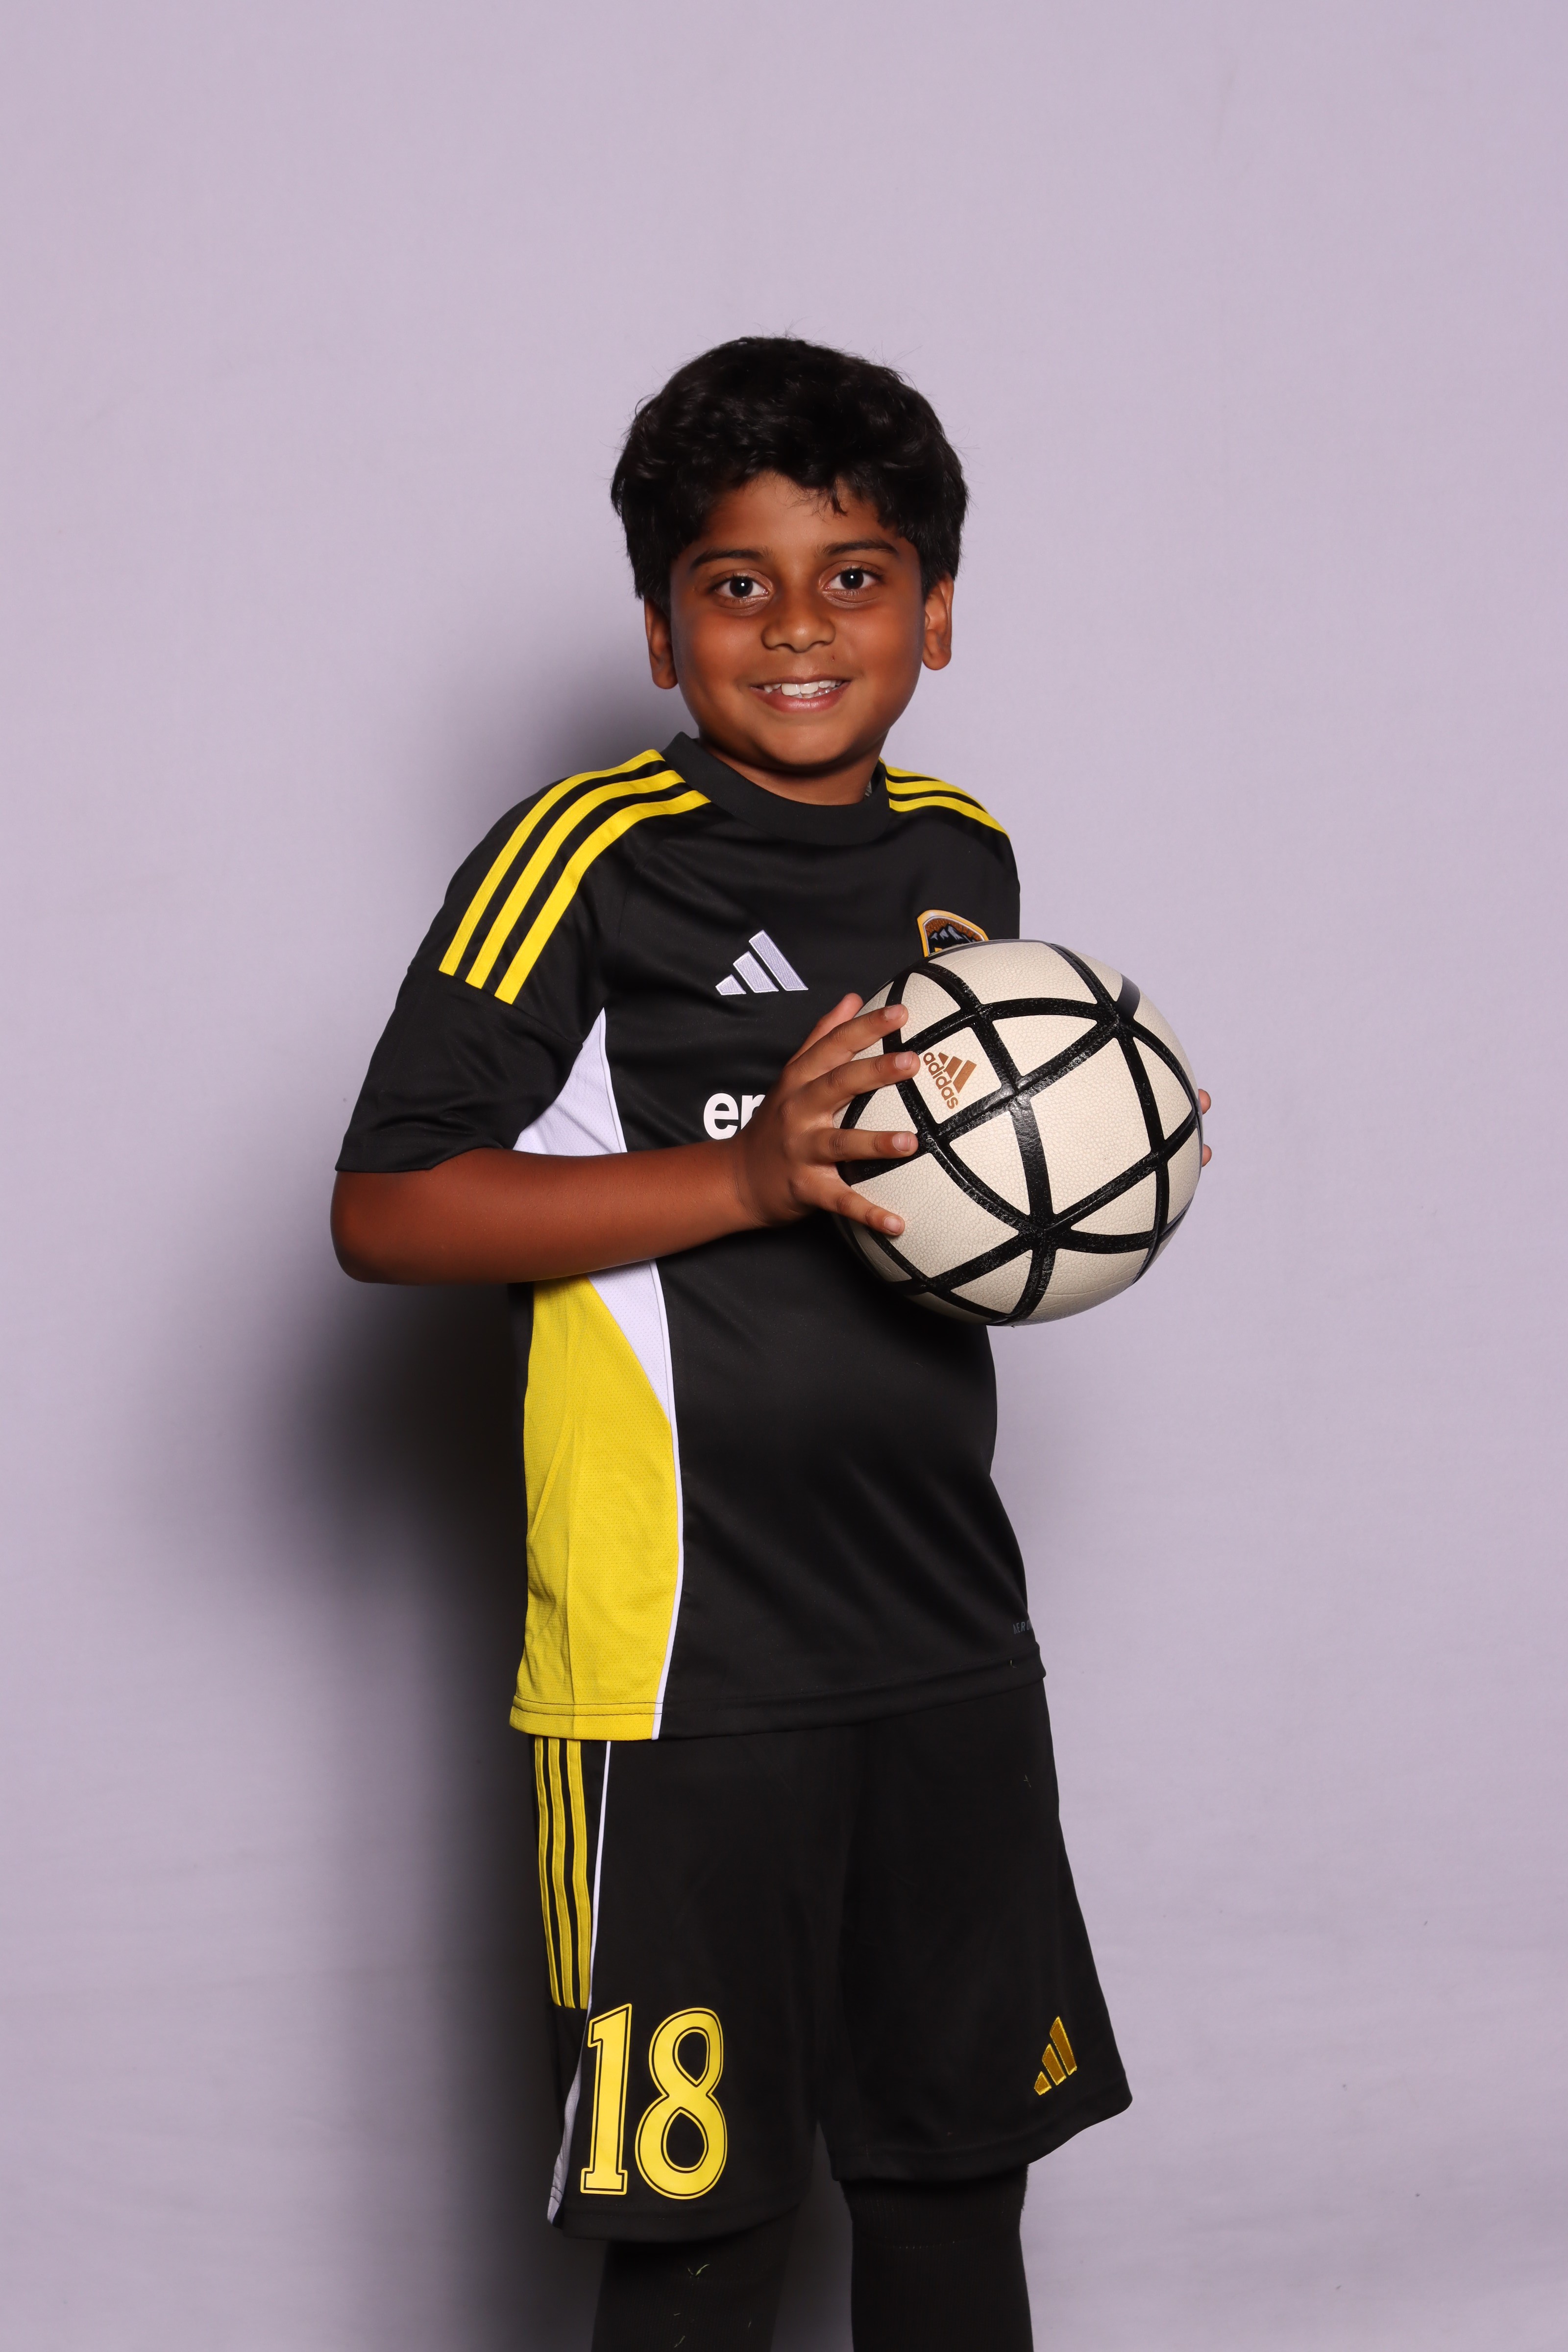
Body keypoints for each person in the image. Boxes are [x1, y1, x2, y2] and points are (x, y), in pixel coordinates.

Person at [332, 336, 1210, 2352]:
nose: (800, 627)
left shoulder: (963, 855)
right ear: (662, 632)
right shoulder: (581, 859)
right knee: (703, 2241)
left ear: (937, 610)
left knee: (952, 2188)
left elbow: (974, 1194)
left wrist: (1103, 1169)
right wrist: (745, 1178)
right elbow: (387, 1207)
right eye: (737, 584)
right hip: (681, 1679)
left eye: (856, 575)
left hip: (947, 1637)